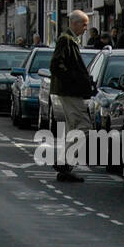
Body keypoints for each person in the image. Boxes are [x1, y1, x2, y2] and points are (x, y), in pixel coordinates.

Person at [49, 10, 96, 183]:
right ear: (74, 23)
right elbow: (56, 64)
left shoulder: (70, 40)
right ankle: (64, 162)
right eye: (84, 24)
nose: (86, 28)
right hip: (70, 92)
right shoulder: (66, 40)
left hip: (71, 91)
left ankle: (65, 170)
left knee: (72, 130)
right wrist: (74, 80)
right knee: (83, 127)